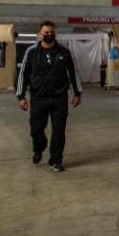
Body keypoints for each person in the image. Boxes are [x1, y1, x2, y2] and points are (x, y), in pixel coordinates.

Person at [16, 21, 83, 172]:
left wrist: (77, 93)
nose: (49, 34)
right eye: (46, 32)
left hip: (59, 98)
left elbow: (74, 72)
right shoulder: (31, 52)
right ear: (40, 34)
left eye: (51, 32)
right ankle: (38, 148)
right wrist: (20, 96)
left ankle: (55, 160)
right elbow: (23, 75)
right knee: (36, 130)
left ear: (55, 33)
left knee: (58, 131)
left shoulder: (65, 52)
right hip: (38, 99)